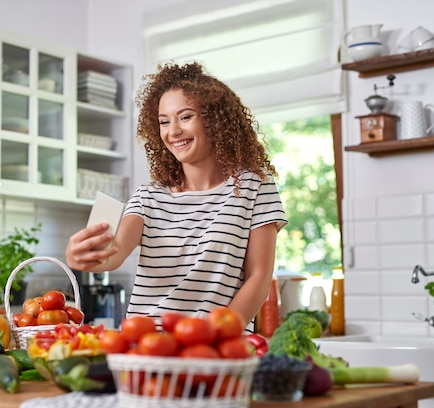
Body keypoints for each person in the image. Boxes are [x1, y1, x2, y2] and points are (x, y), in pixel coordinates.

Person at [66, 61, 287, 330]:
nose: (173, 131)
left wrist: (218, 336)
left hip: (216, 347)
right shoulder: (148, 197)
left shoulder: (254, 186)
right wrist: (80, 256)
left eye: (185, 117)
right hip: (146, 344)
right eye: (163, 121)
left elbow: (259, 278)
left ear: (214, 120)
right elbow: (113, 254)